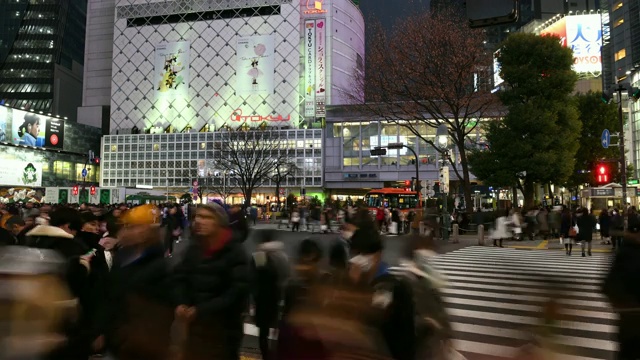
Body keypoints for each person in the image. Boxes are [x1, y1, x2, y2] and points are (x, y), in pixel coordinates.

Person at [173, 203, 250, 360]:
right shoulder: (194, 249)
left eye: (206, 217)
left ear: (220, 222)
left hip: (223, 332)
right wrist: (181, 302)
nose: (199, 221)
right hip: (194, 330)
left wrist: (201, 309)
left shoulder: (234, 252)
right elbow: (180, 277)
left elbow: (236, 292)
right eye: (196, 217)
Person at [105, 204, 173, 360]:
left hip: (143, 343)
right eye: (127, 226)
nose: (128, 231)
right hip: (117, 337)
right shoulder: (122, 256)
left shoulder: (160, 266)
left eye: (136, 227)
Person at [251, 229, 290, 360]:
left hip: (264, 298)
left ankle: (266, 356)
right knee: (281, 329)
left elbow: (256, 278)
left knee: (264, 331)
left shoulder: (260, 255)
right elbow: (287, 275)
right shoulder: (282, 255)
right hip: (282, 295)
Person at [603, 231, 640, 359]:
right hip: (631, 320)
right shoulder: (627, 255)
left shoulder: (623, 253)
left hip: (628, 320)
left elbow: (608, 286)